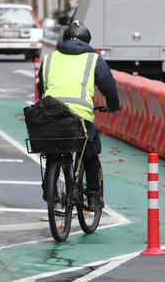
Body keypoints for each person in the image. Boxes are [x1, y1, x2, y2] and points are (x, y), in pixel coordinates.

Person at [37, 20, 120, 211]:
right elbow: (108, 86)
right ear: (88, 41)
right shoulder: (93, 59)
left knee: (53, 145)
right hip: (79, 115)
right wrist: (113, 106)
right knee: (90, 153)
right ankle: (93, 197)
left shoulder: (49, 58)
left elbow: (41, 86)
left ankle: (48, 188)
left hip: (50, 112)